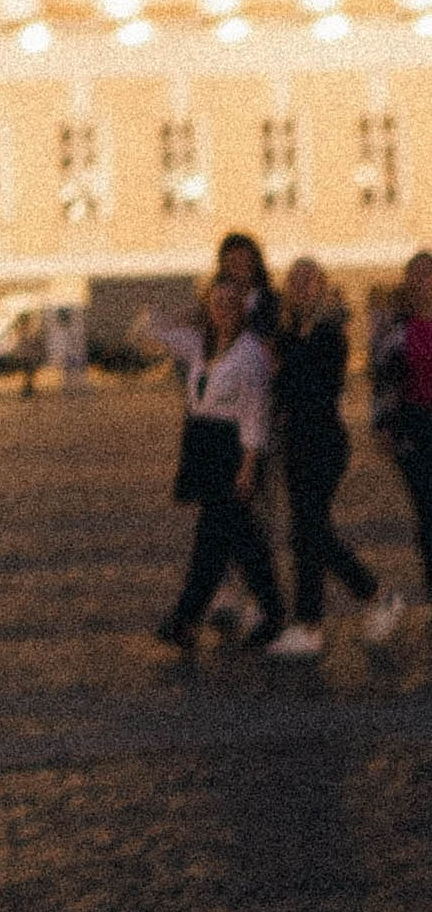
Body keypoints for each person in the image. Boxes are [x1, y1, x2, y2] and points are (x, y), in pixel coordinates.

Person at [266, 259, 399, 657]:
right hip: (295, 441)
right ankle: (310, 626)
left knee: (309, 531)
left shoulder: (330, 331)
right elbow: (286, 386)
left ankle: (371, 595)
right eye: (295, 280)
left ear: (323, 287)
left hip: (324, 441)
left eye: (310, 280)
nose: (301, 287)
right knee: (308, 531)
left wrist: (287, 368)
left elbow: (317, 386)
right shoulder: (289, 332)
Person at [148, 273, 285, 652]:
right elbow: (150, 330)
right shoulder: (199, 344)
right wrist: (190, 311)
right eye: (216, 302)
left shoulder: (251, 351)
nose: (222, 309)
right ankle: (269, 612)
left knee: (219, 538)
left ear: (242, 309)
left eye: (230, 303)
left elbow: (256, 412)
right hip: (201, 444)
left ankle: (187, 618)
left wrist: (248, 464)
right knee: (234, 539)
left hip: (232, 450)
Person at [373, 247, 432, 616]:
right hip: (414, 424)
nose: (422, 281)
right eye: (416, 275)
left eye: (428, 274)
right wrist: (381, 425)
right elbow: (381, 378)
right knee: (427, 511)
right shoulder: (396, 326)